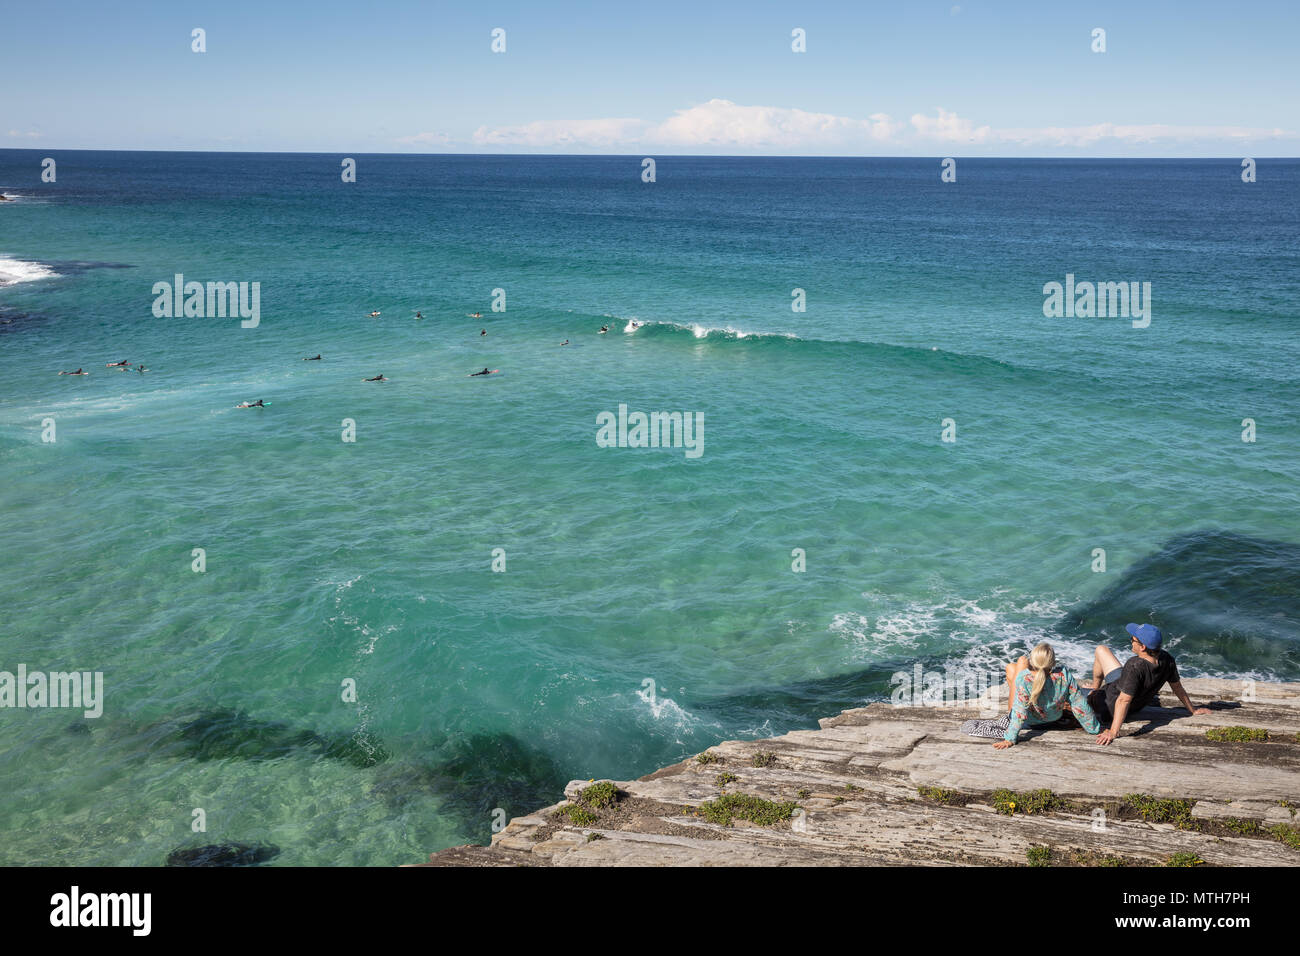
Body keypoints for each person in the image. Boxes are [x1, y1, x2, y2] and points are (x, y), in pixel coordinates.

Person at [1086, 624, 1210, 746]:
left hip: (1107, 705)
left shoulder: (1134, 665)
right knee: (1101, 650)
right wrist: (1192, 710)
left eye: (1133, 640)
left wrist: (1113, 732)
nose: (1131, 642)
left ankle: (1094, 691)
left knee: (1070, 691)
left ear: (1143, 647)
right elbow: (1177, 687)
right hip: (1125, 690)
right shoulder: (1167, 659)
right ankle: (1095, 686)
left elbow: (1123, 701)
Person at [963, 643, 1102, 748]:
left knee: (1015, 667)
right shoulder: (1064, 675)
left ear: (1033, 661)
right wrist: (1095, 729)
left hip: (1031, 724)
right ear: (1052, 663)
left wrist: (1010, 739)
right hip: (1053, 718)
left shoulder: (1025, 678)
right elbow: (1079, 705)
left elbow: (1019, 712)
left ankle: (1019, 667)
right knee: (1012, 669)